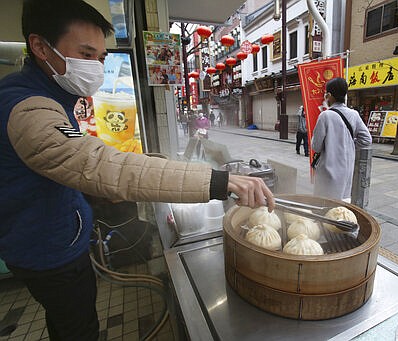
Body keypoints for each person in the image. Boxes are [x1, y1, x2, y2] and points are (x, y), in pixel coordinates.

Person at [0, 1, 274, 340]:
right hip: (49, 254)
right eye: (86, 55)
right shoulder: (28, 109)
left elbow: (70, 164)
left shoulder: (51, 98)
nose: (96, 68)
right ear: (41, 46)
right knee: (78, 329)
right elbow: (97, 164)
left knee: (69, 322)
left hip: (56, 241)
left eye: (100, 58)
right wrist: (220, 181)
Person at [311, 77, 372, 202]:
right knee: (341, 209)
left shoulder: (325, 115)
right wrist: (349, 144)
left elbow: (315, 147)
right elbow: (366, 139)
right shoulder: (354, 114)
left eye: (326, 94)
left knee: (324, 208)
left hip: (327, 174)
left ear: (330, 95)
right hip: (346, 173)